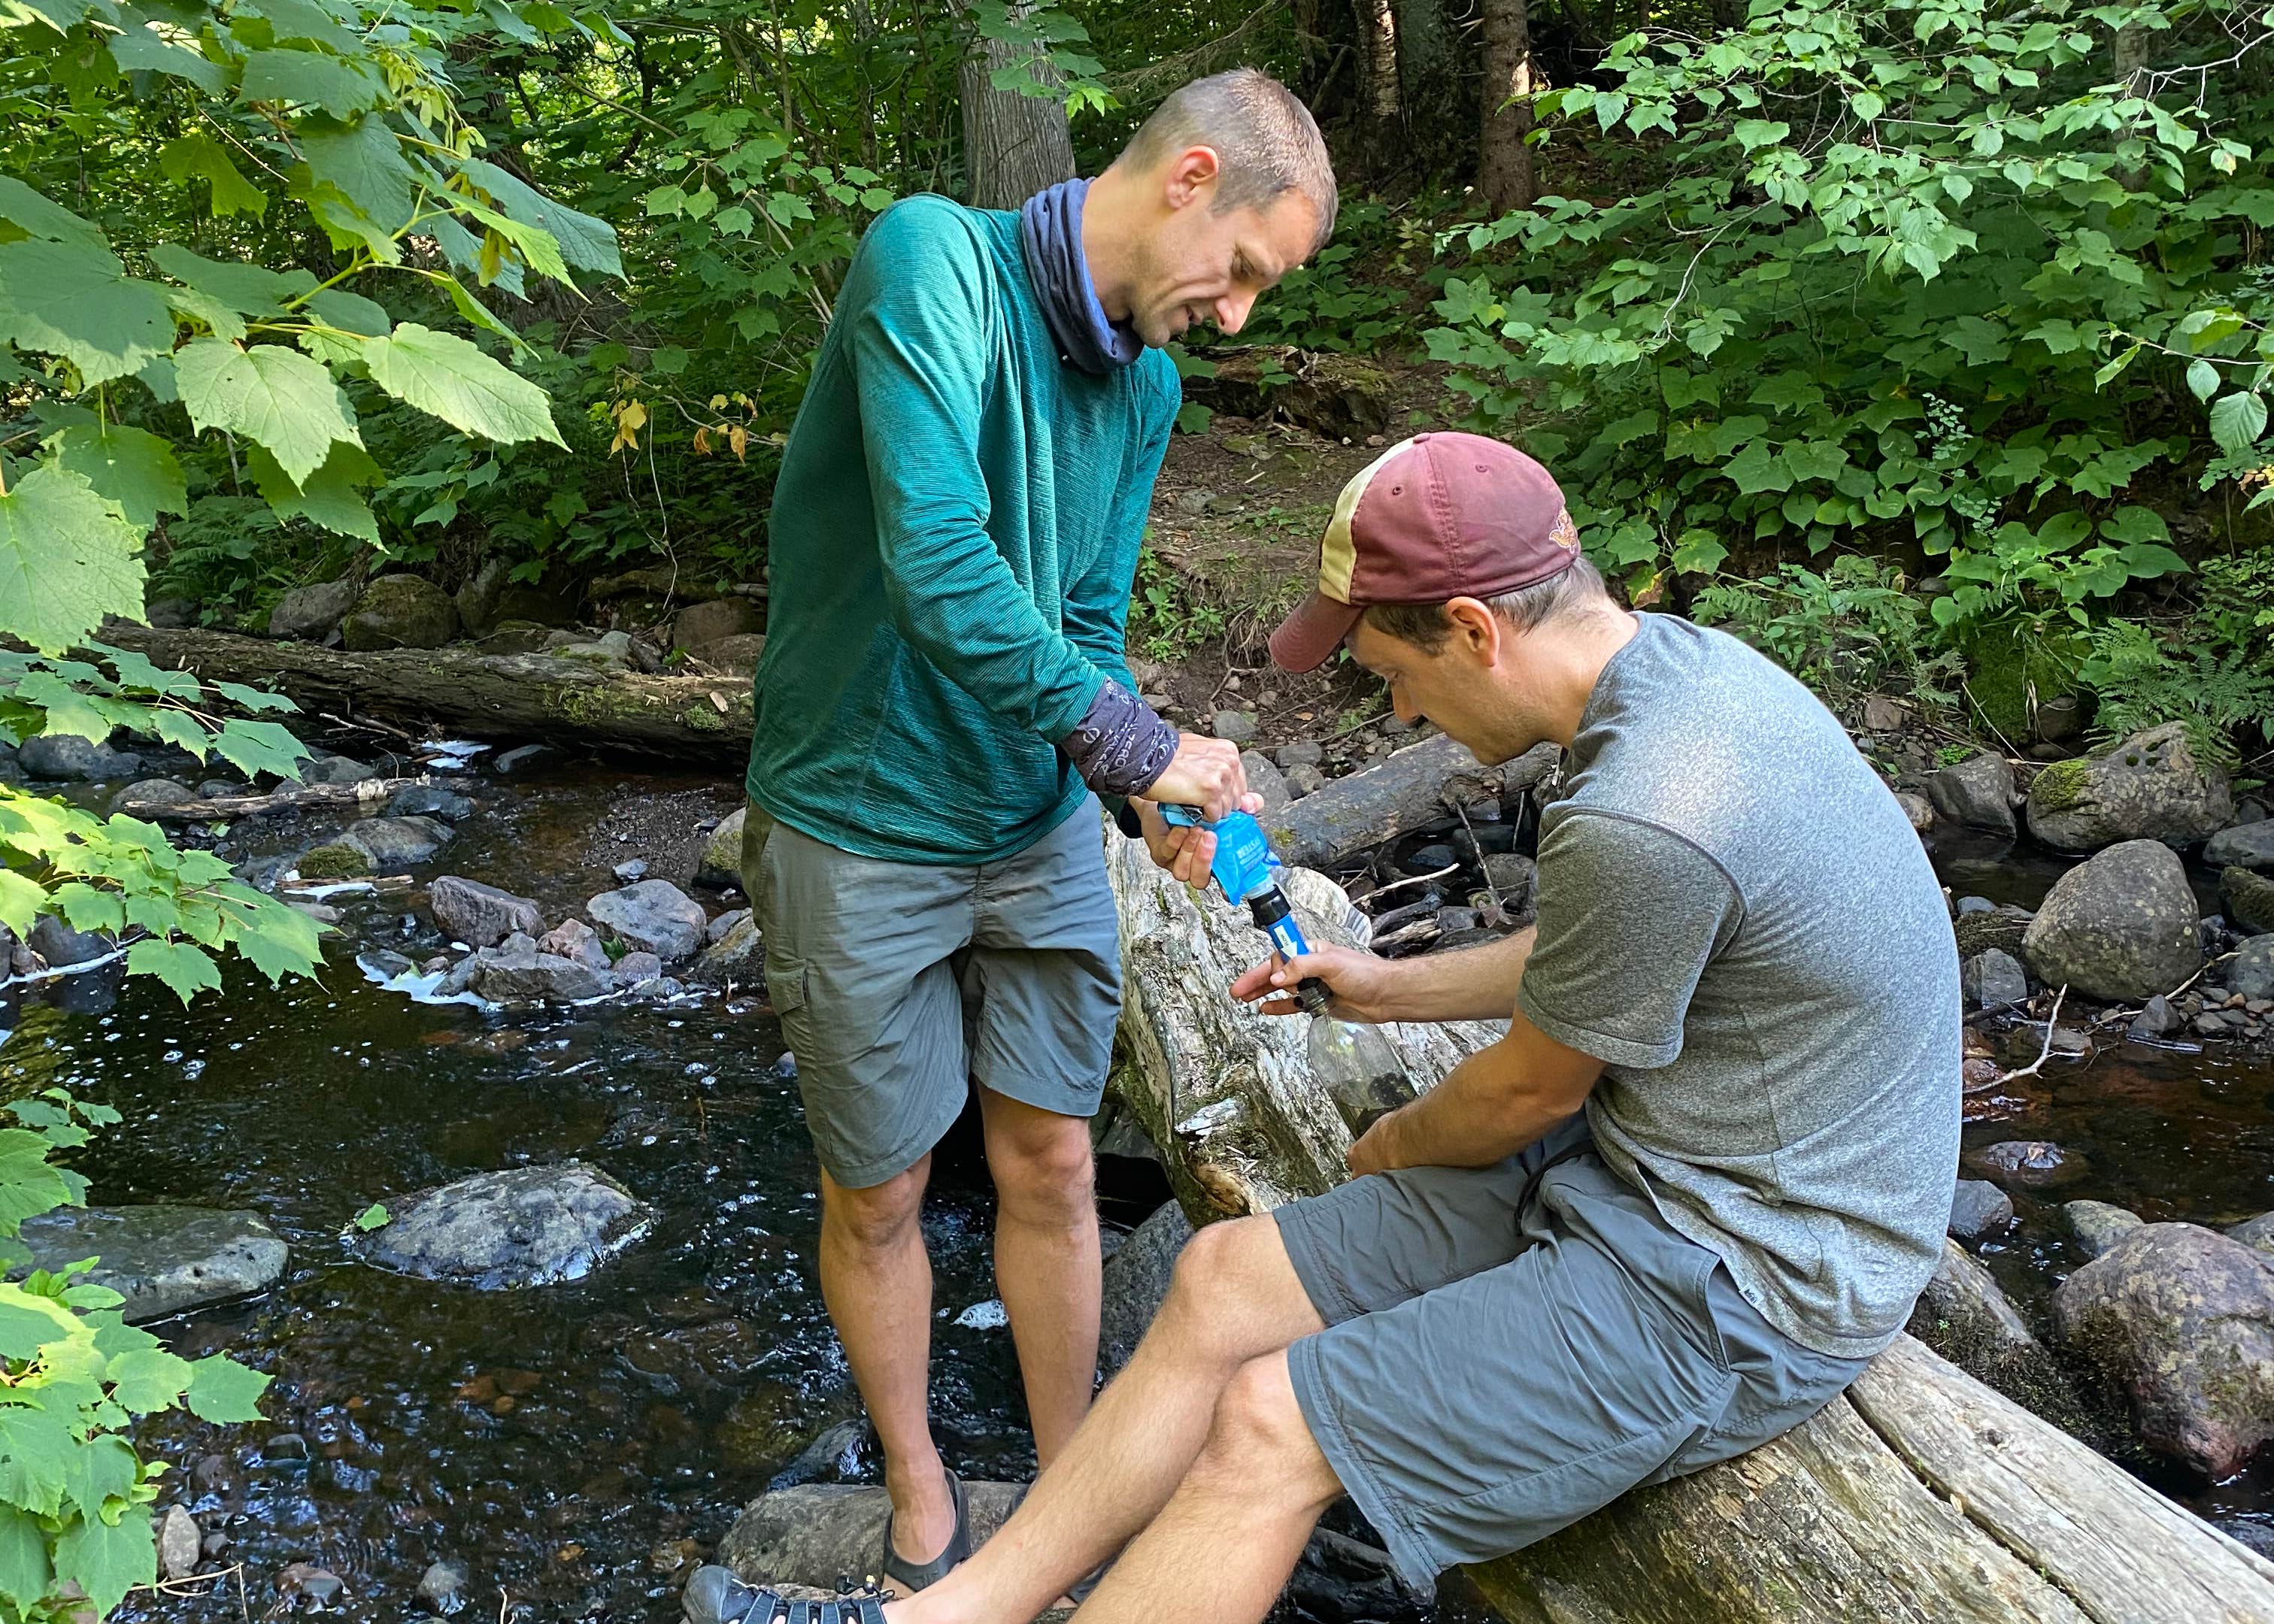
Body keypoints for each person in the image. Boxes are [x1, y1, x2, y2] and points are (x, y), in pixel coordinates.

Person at [690, 431, 1961, 1624]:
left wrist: (1396, 1145)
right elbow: (1612, 959)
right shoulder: (1677, 675)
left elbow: (1525, 1097)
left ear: (1472, 629)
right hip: (1643, 1170)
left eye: (1397, 679)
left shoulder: (1650, 805)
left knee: (1269, 1429)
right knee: (1218, 1277)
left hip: (1746, 1269)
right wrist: (1386, 985)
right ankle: (964, 1609)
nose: (1402, 717)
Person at [725, 69, 1338, 1599]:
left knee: (1056, 1162)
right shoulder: (932, 260)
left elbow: (1078, 624)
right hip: (860, 817)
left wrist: (1143, 790)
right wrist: (1135, 742)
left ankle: (1065, 1505)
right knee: (878, 1190)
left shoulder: (1146, 387)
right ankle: (924, 1506)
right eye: (1249, 271)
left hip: (1037, 812)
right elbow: (936, 569)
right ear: (1190, 177)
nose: (1241, 316)